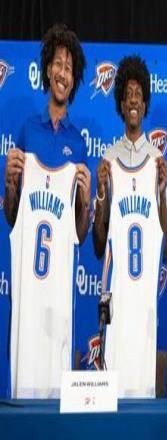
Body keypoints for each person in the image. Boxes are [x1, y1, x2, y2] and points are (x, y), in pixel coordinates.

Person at [5, 23, 90, 398]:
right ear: (47, 69)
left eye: (69, 68)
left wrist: (86, 199)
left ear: (75, 78)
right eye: (58, 64)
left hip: (58, 301)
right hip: (27, 296)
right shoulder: (28, 131)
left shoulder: (77, 143)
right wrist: (10, 185)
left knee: (56, 395)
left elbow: (79, 234)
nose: (63, 73)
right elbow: (13, 218)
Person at [92, 55, 167, 398]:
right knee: (114, 397)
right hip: (118, 302)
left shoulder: (157, 162)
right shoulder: (108, 161)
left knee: (142, 394)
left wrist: (163, 192)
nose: (134, 100)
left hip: (145, 305)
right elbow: (99, 245)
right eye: (128, 94)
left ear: (145, 102)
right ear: (121, 104)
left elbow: (165, 247)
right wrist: (100, 194)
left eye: (139, 93)